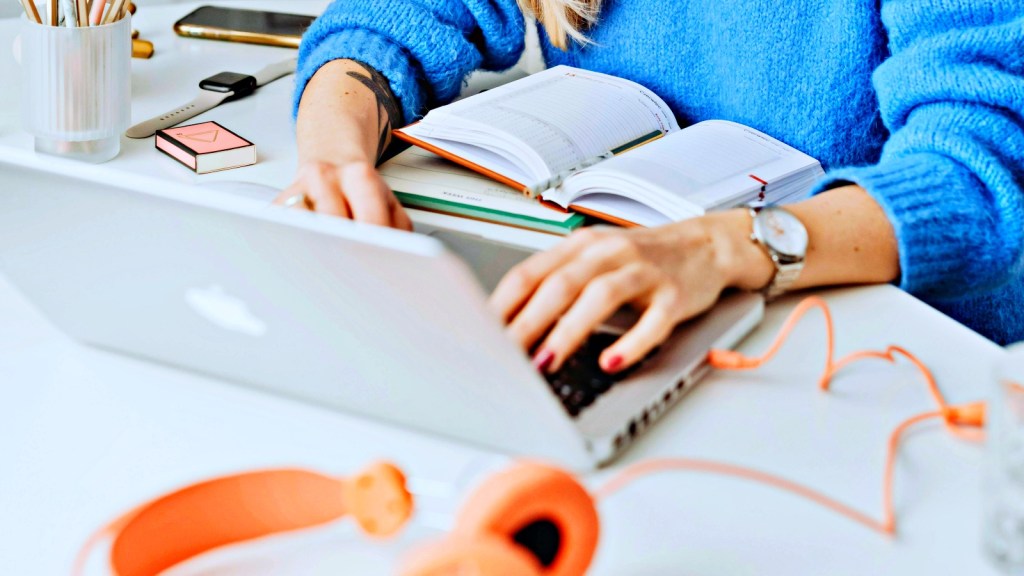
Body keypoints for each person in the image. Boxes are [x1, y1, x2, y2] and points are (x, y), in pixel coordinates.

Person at [276, 0, 1024, 375]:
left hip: (882, 354)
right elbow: (391, 19)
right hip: (628, 306)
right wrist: (333, 153)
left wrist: (729, 246)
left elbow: (975, 179)